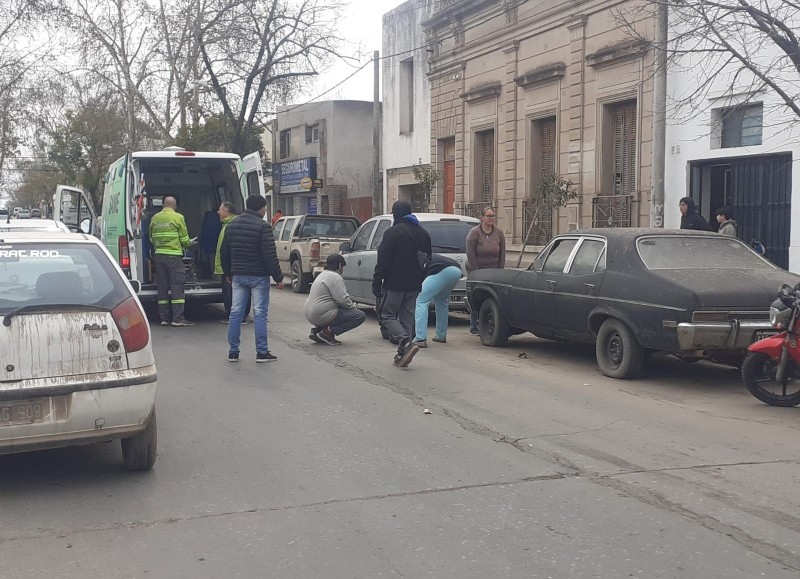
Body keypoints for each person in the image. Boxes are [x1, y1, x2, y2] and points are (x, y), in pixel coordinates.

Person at [221, 195, 284, 363]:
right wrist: (278, 277)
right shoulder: (263, 227)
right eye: (264, 207)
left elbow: (224, 252)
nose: (265, 211)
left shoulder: (232, 224)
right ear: (259, 208)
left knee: (235, 313)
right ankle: (262, 352)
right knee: (260, 313)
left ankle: (233, 351)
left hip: (239, 275)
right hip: (258, 277)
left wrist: (228, 272)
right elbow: (269, 255)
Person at [372, 200, 432, 367]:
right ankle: (403, 352)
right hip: (414, 285)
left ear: (396, 214)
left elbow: (383, 258)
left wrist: (377, 280)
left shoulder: (393, 232)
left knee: (387, 315)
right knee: (407, 318)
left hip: (395, 283)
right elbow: (428, 260)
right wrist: (420, 278)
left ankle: (405, 341)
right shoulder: (423, 233)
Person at [149, 196, 196, 326]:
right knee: (177, 286)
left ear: (164, 205)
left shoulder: (155, 218)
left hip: (159, 256)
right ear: (174, 206)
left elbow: (151, 237)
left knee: (162, 287)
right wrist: (189, 242)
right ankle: (178, 318)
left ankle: (164, 318)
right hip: (174, 256)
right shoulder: (178, 217)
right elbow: (185, 239)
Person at [304, 253, 366, 345]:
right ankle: (326, 333)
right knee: (359, 315)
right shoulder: (334, 276)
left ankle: (318, 330)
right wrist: (353, 307)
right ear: (340, 265)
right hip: (321, 314)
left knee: (338, 308)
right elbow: (343, 300)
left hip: (310, 313)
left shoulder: (322, 274)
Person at [466, 206, 506, 335]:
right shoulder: (474, 233)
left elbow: (502, 254)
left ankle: (489, 322)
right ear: (482, 218)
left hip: (493, 271)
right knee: (477, 296)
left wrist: (500, 271)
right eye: (488, 216)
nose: (491, 218)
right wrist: (476, 273)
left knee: (491, 297)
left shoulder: (499, 233)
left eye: (493, 216)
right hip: (478, 270)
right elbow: (470, 254)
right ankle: (474, 324)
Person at [412, 254, 462, 347]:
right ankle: (441, 336)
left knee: (421, 300)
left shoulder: (413, 259)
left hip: (442, 270)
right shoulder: (426, 255)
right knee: (442, 301)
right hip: (456, 270)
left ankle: (420, 338)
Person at [214, 202, 251, 324]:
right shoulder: (230, 224)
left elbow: (227, 249)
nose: (218, 212)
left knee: (231, 293)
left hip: (230, 267)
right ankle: (240, 316)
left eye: (220, 209)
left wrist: (227, 269)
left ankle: (237, 317)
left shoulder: (230, 225)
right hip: (232, 266)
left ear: (226, 211)